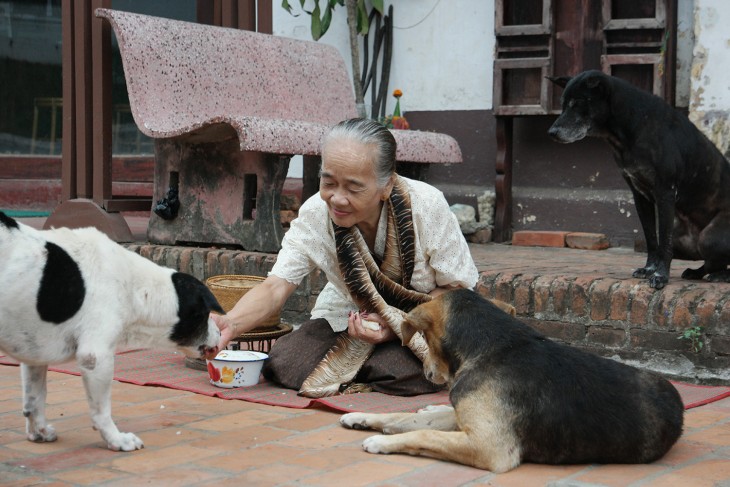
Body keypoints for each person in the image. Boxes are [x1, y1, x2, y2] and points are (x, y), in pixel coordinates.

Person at [208, 118, 478, 396]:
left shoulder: (426, 205)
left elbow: (456, 292)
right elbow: (277, 285)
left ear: (386, 185)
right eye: (329, 182)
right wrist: (232, 323)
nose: (337, 198)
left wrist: (396, 324)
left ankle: (370, 367)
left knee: (410, 370)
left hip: (423, 320)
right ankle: (372, 369)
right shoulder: (316, 213)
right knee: (284, 362)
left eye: (353, 187)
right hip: (350, 316)